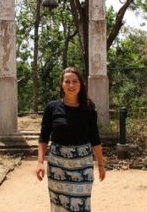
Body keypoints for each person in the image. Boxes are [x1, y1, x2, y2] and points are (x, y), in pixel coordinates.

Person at [37, 67, 106, 211]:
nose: (71, 85)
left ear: (80, 84)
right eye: (67, 81)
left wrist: (101, 164)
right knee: (59, 204)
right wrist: (39, 162)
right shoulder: (52, 107)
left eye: (75, 81)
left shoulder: (88, 108)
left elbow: (95, 138)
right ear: (62, 84)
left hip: (82, 164)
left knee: (81, 205)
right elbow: (43, 137)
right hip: (58, 164)